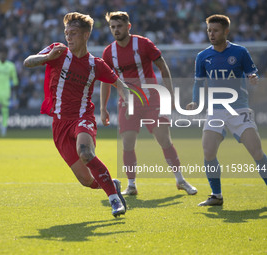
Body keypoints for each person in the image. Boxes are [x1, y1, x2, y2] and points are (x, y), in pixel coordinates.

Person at [23, 12, 129, 217]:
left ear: (86, 35)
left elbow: (119, 84)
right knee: (87, 181)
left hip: (83, 118)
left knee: (86, 153)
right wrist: (46, 57)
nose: (68, 37)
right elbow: (28, 61)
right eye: (66, 33)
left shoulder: (95, 64)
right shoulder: (57, 51)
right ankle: (112, 184)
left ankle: (114, 201)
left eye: (73, 33)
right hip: (60, 124)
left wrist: (128, 100)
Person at [101, 11, 197, 196]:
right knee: (127, 144)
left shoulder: (143, 44)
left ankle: (180, 180)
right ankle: (131, 185)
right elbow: (105, 81)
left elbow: (163, 66)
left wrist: (169, 93)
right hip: (128, 103)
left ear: (128, 26)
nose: (116, 30)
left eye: (119, 26)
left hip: (152, 99)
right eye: (112, 27)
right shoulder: (108, 52)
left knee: (164, 139)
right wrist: (103, 108)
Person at [186, 14, 267, 206]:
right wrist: (195, 101)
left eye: (215, 30)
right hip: (215, 111)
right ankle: (216, 195)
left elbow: (251, 73)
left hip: (239, 110)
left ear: (226, 31)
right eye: (209, 30)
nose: (211, 34)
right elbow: (198, 83)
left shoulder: (240, 52)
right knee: (208, 151)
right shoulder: (203, 56)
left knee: (256, 153)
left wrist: (254, 78)